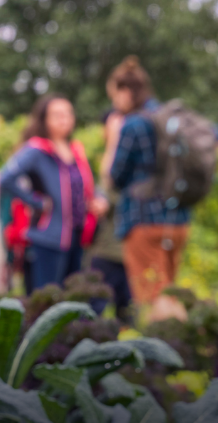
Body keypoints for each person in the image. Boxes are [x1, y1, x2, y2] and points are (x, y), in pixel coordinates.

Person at [104, 56, 191, 322]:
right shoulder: (172, 118)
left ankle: (171, 353)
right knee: (170, 293)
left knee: (153, 298)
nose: (114, 104)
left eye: (115, 97)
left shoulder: (134, 124)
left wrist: (112, 139)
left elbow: (115, 178)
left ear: (126, 92)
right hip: (178, 219)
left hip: (143, 220)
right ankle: (187, 350)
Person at [0, 95, 106, 293]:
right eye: (57, 115)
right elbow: (5, 178)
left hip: (77, 235)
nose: (64, 119)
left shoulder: (75, 150)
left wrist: (100, 200)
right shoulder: (36, 150)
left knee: (73, 296)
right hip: (48, 237)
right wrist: (37, 202)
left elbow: (89, 183)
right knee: (47, 297)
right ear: (44, 120)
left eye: (68, 114)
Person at [88, 91, 133, 323]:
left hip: (127, 252)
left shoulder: (134, 163)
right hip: (107, 251)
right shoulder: (101, 161)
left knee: (128, 317)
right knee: (94, 313)